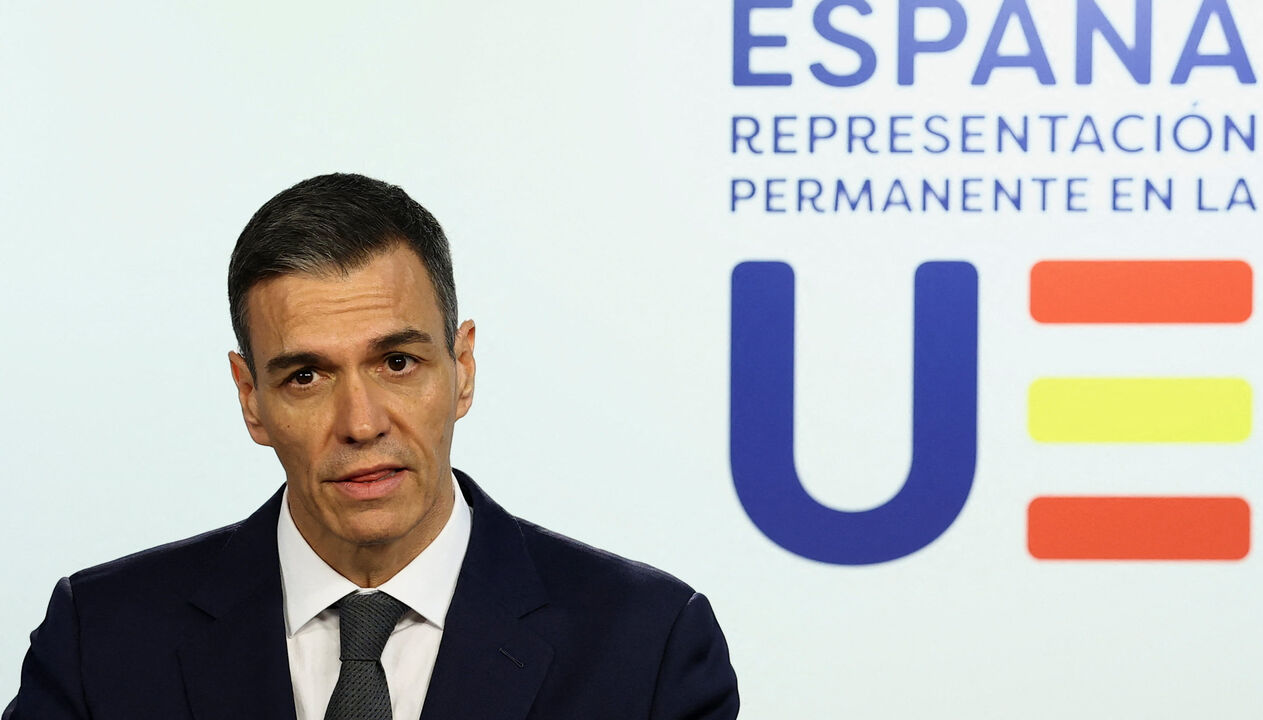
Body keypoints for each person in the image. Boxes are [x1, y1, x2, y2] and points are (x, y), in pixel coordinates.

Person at [4, 173, 738, 719]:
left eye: (397, 363)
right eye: (306, 375)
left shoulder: (647, 647)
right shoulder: (99, 641)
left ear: (463, 369)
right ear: (250, 398)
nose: (361, 423)